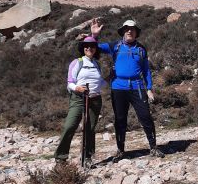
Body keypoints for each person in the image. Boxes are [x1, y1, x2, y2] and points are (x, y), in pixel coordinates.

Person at [90, 17, 164, 160]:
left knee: (146, 117)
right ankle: (120, 150)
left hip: (137, 87)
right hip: (118, 88)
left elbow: (146, 70)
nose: (129, 31)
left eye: (132, 29)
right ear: (123, 31)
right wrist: (94, 35)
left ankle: (153, 147)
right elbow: (94, 48)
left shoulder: (141, 49)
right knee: (120, 119)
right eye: (127, 29)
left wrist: (149, 88)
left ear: (136, 33)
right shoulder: (114, 46)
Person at [54, 36, 106, 166]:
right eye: (86, 46)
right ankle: (61, 157)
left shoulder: (97, 64)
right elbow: (70, 83)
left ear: (95, 49)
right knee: (70, 126)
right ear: (83, 48)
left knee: (90, 128)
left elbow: (99, 83)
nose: (89, 48)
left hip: (95, 99)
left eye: (92, 46)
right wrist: (77, 88)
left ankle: (87, 157)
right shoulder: (77, 62)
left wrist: (110, 78)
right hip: (78, 98)